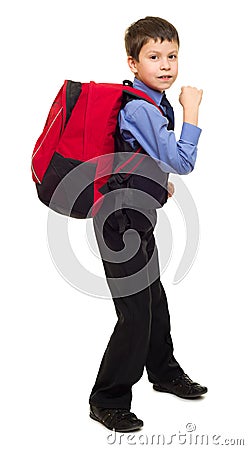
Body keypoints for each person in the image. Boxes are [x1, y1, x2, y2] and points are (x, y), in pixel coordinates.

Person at [89, 16, 207, 432]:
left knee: (153, 298)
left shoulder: (149, 102)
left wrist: (159, 185)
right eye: (153, 56)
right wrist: (192, 113)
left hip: (137, 214)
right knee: (135, 311)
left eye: (172, 56)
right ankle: (107, 398)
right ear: (132, 63)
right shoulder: (141, 106)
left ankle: (163, 371)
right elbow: (183, 160)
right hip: (119, 222)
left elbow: (137, 154)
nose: (165, 65)